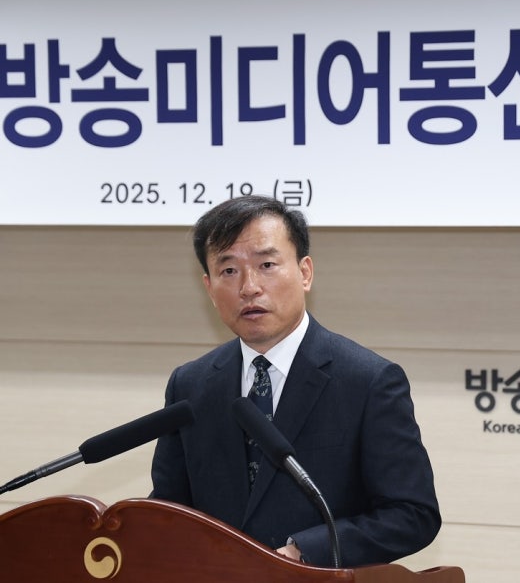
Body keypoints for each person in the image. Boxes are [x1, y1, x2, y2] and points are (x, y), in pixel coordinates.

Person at [150, 195, 441, 567]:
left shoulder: (367, 381)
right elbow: (170, 508)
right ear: (208, 287)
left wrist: (306, 552)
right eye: (229, 271)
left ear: (305, 273)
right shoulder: (190, 385)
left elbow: (413, 513)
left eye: (267, 265)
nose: (249, 287)